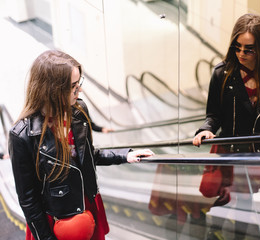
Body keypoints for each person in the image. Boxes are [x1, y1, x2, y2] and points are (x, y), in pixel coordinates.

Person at [8, 50, 154, 240]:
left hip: (85, 203)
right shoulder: (23, 135)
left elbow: (87, 155)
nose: (80, 91)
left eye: (79, 83)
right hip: (56, 217)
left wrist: (125, 155)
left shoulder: (78, 112)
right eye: (73, 86)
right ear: (52, 90)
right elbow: (28, 200)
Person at [193, 13, 260, 239]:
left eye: (249, 48)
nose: (241, 54)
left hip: (256, 154)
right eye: (237, 47)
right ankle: (214, 234)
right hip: (228, 151)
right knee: (222, 198)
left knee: (245, 200)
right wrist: (206, 129)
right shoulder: (222, 73)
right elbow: (213, 114)